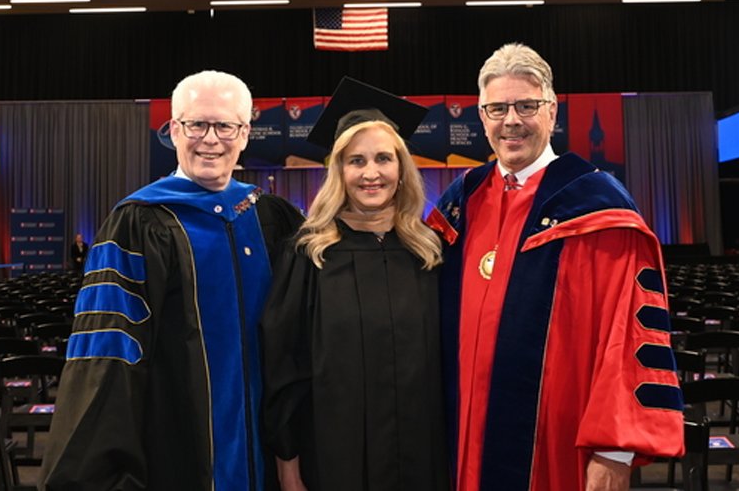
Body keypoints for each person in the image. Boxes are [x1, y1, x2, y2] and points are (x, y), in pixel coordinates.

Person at [427, 44, 683, 491]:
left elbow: (630, 335)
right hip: (457, 436)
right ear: (481, 115)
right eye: (497, 108)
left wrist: (614, 449)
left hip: (557, 441)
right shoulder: (460, 200)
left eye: (527, 106)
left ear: (552, 111)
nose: (512, 121)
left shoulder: (596, 206)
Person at [42, 70, 304, 491]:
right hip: (175, 449)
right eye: (196, 124)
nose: (210, 139)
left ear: (245, 133)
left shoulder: (274, 218)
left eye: (224, 125)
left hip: (267, 448)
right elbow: (108, 357)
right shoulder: (138, 221)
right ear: (175, 130)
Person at [261, 80, 446, 491]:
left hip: (424, 455)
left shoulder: (429, 253)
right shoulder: (309, 255)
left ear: (402, 169)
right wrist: (288, 467)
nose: (371, 173)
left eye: (384, 158)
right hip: (331, 458)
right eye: (356, 161)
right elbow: (283, 367)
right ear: (339, 171)